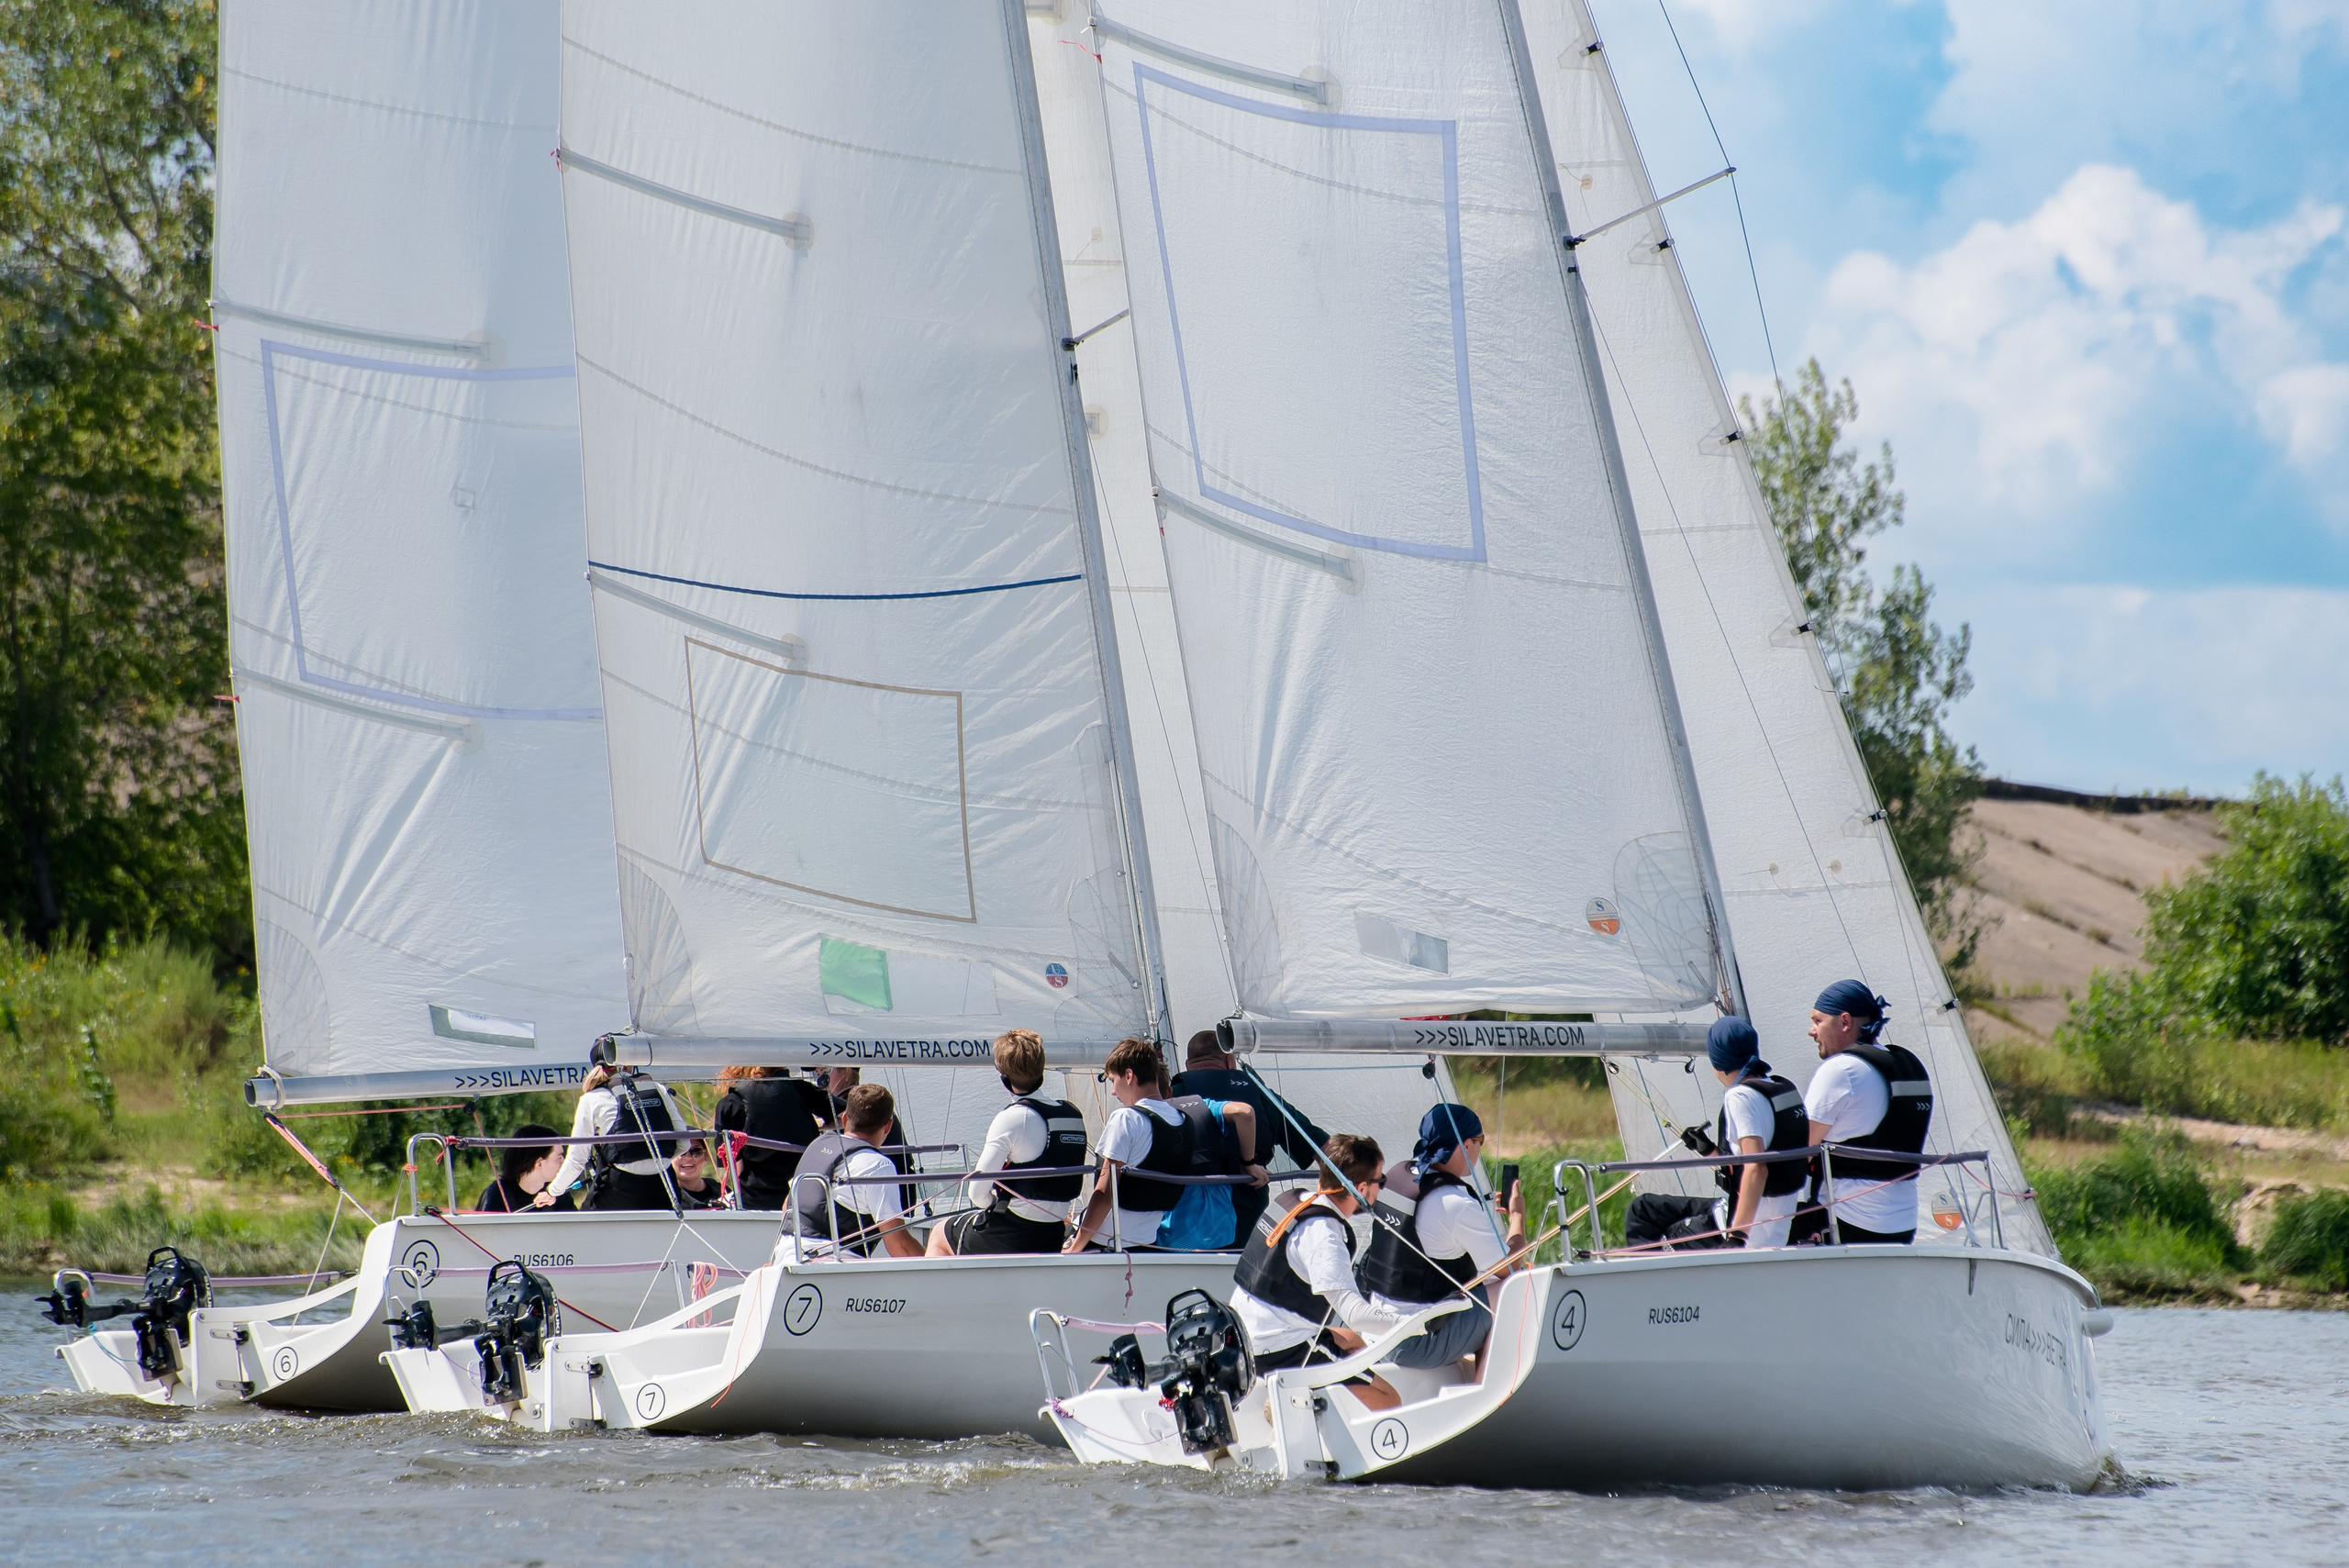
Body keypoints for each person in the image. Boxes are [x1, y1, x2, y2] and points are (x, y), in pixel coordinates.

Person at [1228, 1134, 1401, 1411]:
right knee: (1390, 1401)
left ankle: (1309, 1394)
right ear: (1362, 1187)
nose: (1381, 1190)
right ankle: (1292, 1404)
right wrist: (1416, 1325)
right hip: (1279, 1351)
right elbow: (1355, 1314)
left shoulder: (1295, 1200)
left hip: (1243, 1334)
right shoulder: (1325, 1236)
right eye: (1380, 1182)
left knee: (1354, 1341)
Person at [1357, 1104, 1526, 1378]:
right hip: (1412, 1344)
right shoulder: (1456, 1203)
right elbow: (1510, 1268)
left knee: (1489, 1284)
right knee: (1515, 1288)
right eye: (1480, 1142)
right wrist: (1517, 1215)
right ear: (1467, 1144)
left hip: (1375, 1330)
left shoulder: (1397, 1177)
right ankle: (1485, 1392)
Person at [1061, 1038, 1265, 1253]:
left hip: (1109, 1241)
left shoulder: (1126, 1118)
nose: (1113, 1091)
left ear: (1129, 1076)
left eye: (1113, 1080)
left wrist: (1076, 1246)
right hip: (1148, 1240)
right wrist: (1248, 1163)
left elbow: (1105, 1193)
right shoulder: (1183, 1121)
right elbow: (1245, 1113)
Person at [1623, 1018, 1809, 1249]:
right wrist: (1707, 1149)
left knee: (1649, 1225)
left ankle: (1643, 1282)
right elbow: (1755, 1162)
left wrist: (1737, 1238)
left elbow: (1756, 1167)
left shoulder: (1739, 1096)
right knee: (1645, 1207)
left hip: (1743, 1231)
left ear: (1717, 1060)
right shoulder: (1784, 1090)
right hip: (1771, 1225)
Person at [929, 1029, 1089, 1256]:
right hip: (1053, 1232)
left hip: (1014, 1233)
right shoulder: (1073, 1116)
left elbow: (977, 1193)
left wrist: (993, 1203)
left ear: (1003, 1075)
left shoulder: (1013, 1118)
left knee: (938, 1234)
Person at [1803, 979, 1935, 1245]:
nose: (1811, 1031)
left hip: (1848, 1223)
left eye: (1818, 1021)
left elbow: (1799, 1151)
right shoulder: (1907, 1066)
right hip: (1903, 1224)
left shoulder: (1840, 1070)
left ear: (1844, 1022)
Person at [1170, 1029, 1330, 1246]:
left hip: (1185, 1233)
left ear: (1188, 1066)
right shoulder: (1260, 1097)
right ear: (1229, 1061)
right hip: (1246, 1229)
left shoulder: (1169, 1097)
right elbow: (1322, 1147)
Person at [787, 1083, 923, 1257]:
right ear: (888, 1126)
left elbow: (788, 1205)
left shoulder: (816, 1146)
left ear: (845, 1119)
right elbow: (898, 1245)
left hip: (788, 1253)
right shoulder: (879, 1166)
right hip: (833, 1264)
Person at [537, 1064, 691, 1210]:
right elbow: (684, 1143)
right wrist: (657, 1161)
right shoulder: (659, 1088)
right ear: (629, 1066)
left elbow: (577, 1160)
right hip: (664, 1187)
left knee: (584, 1222)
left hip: (621, 1190)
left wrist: (552, 1192)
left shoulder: (592, 1098)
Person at [713, 1065, 833, 1209]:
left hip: (756, 1198)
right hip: (803, 1194)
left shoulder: (730, 1103)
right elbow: (843, 1115)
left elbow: (734, 1166)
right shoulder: (800, 1089)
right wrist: (817, 1125)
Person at [473, 1124, 573, 1213]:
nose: (563, 1161)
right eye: (559, 1158)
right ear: (539, 1164)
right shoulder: (499, 1192)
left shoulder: (558, 1191)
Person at [668, 1140, 729, 1209]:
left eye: (696, 1151)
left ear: (706, 1156)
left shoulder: (723, 1191)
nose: (688, 1158)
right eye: (680, 1152)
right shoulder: (664, 1196)